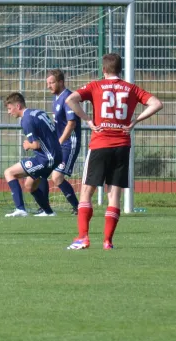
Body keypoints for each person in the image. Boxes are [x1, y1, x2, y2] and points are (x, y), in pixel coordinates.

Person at [65, 53, 163, 250]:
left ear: (104, 69)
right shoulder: (131, 88)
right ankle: (108, 241)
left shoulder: (96, 86)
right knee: (114, 195)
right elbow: (157, 103)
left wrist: (87, 120)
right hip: (122, 145)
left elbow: (71, 99)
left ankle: (83, 237)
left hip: (100, 143)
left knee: (86, 191)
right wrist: (135, 121)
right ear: (120, 69)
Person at [3, 92, 62, 217]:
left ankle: (20, 209)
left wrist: (27, 145)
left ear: (18, 106)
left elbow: (36, 145)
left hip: (46, 159)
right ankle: (49, 212)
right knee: (30, 185)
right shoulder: (38, 112)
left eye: (9, 108)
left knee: (9, 172)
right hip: (56, 155)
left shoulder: (26, 120)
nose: (9, 112)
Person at [38, 69, 81, 216]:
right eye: (47, 83)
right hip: (60, 143)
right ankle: (44, 206)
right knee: (42, 169)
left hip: (70, 143)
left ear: (61, 82)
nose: (48, 86)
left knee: (56, 177)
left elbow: (71, 124)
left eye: (51, 83)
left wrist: (59, 142)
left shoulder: (68, 97)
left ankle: (78, 207)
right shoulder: (56, 98)